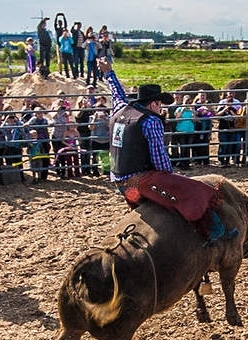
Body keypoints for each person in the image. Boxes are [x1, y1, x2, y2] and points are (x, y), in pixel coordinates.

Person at [97, 57, 236, 245]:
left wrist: (108, 72)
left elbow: (117, 93)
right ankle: (215, 232)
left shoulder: (121, 109)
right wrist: (172, 179)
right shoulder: (151, 120)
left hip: (119, 181)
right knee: (197, 190)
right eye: (160, 104)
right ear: (154, 104)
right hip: (140, 180)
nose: (161, 108)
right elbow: (159, 158)